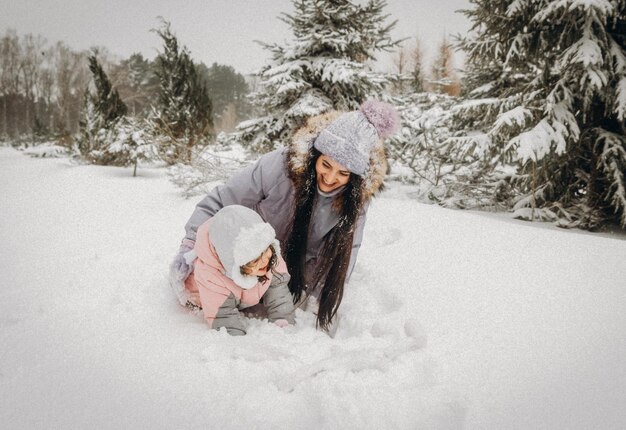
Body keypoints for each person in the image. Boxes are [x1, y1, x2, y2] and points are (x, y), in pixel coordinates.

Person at [170, 100, 399, 332]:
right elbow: (221, 199)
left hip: (291, 270)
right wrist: (189, 244)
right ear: (315, 155)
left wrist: (320, 295)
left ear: (355, 177)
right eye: (326, 165)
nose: (330, 179)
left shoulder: (355, 200)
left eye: (343, 173)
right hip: (251, 254)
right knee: (203, 284)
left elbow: (348, 249)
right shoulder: (279, 166)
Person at [181, 205, 294, 335]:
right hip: (203, 296)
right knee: (215, 304)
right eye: (254, 260)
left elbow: (278, 292)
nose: (264, 261)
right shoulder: (210, 276)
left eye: (265, 251)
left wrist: (283, 320)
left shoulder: (270, 257)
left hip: (241, 294)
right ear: (235, 262)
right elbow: (222, 316)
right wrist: (236, 340)